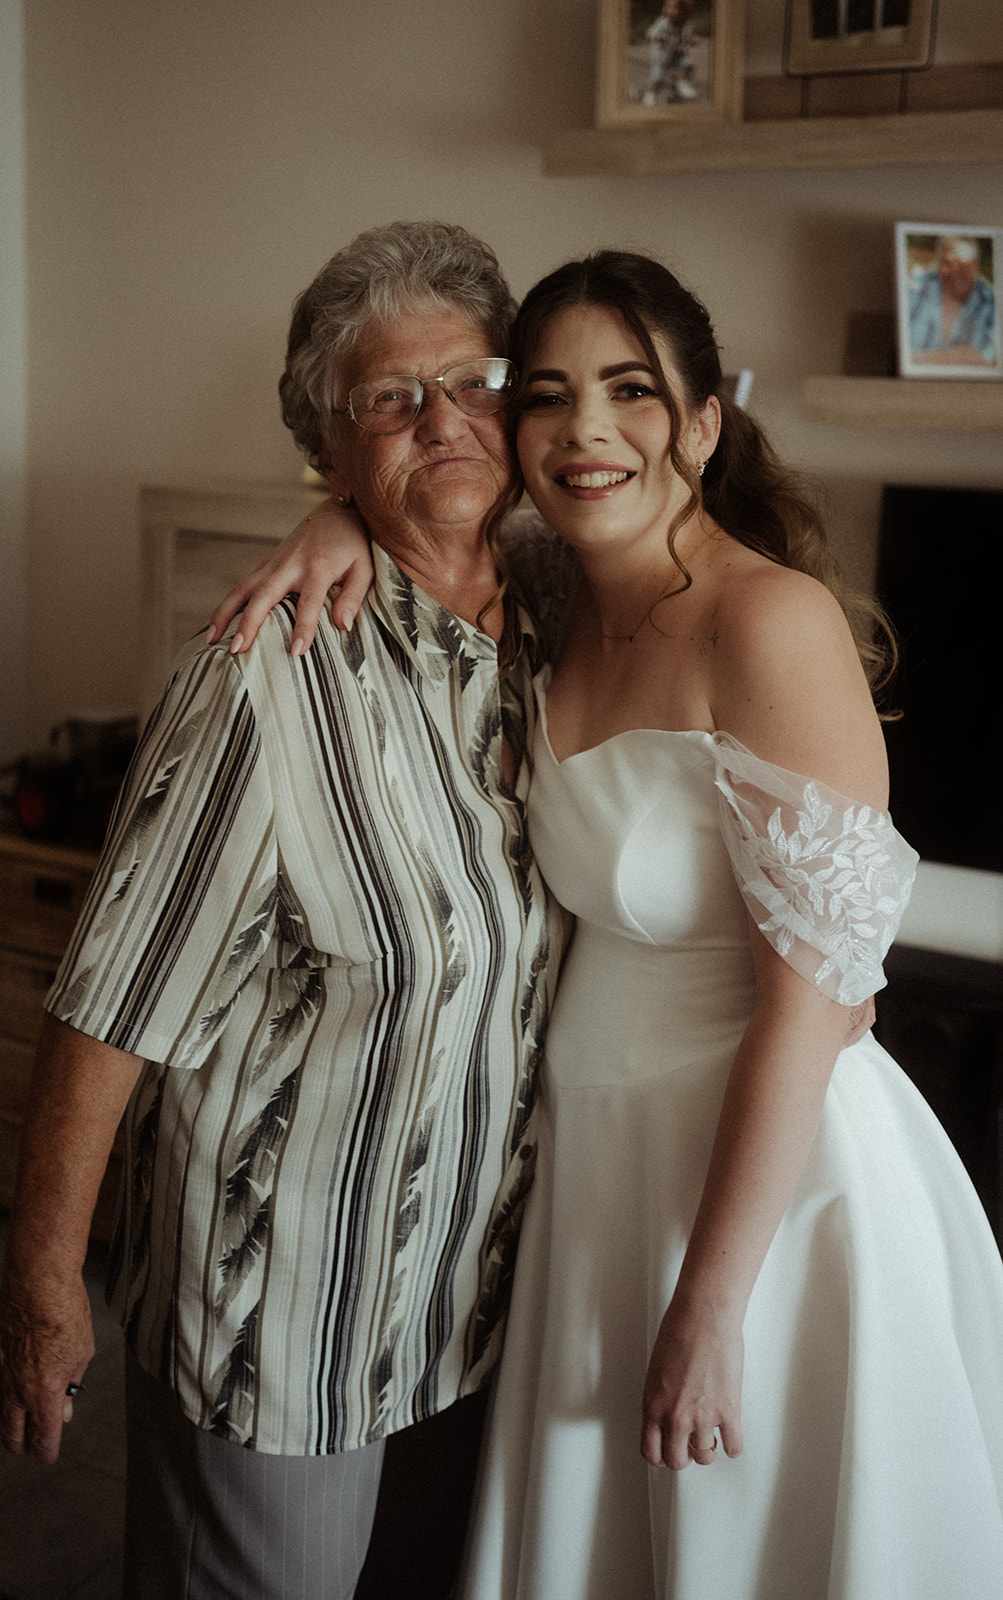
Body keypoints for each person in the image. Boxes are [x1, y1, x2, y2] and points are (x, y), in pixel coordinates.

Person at [209, 249, 1003, 1598]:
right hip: (592, 1168)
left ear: (700, 422)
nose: (585, 429)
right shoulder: (555, 594)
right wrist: (336, 517)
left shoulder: (768, 621)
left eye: (630, 390)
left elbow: (811, 998)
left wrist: (711, 1299)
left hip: (754, 1189)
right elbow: (418, 519)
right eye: (547, 394)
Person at [0, 220, 566, 1600]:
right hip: (281, 1323)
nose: (442, 420)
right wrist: (41, 1280)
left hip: (465, 1302)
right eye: (388, 398)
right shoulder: (262, 677)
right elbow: (112, 1001)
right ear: (330, 450)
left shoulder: (554, 632)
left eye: (472, 380)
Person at [907, 233, 998, 367]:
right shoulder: (915, 288)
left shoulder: (991, 301)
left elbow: (987, 358)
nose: (952, 272)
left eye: (960, 266)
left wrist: (916, 358)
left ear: (975, 266)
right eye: (947, 263)